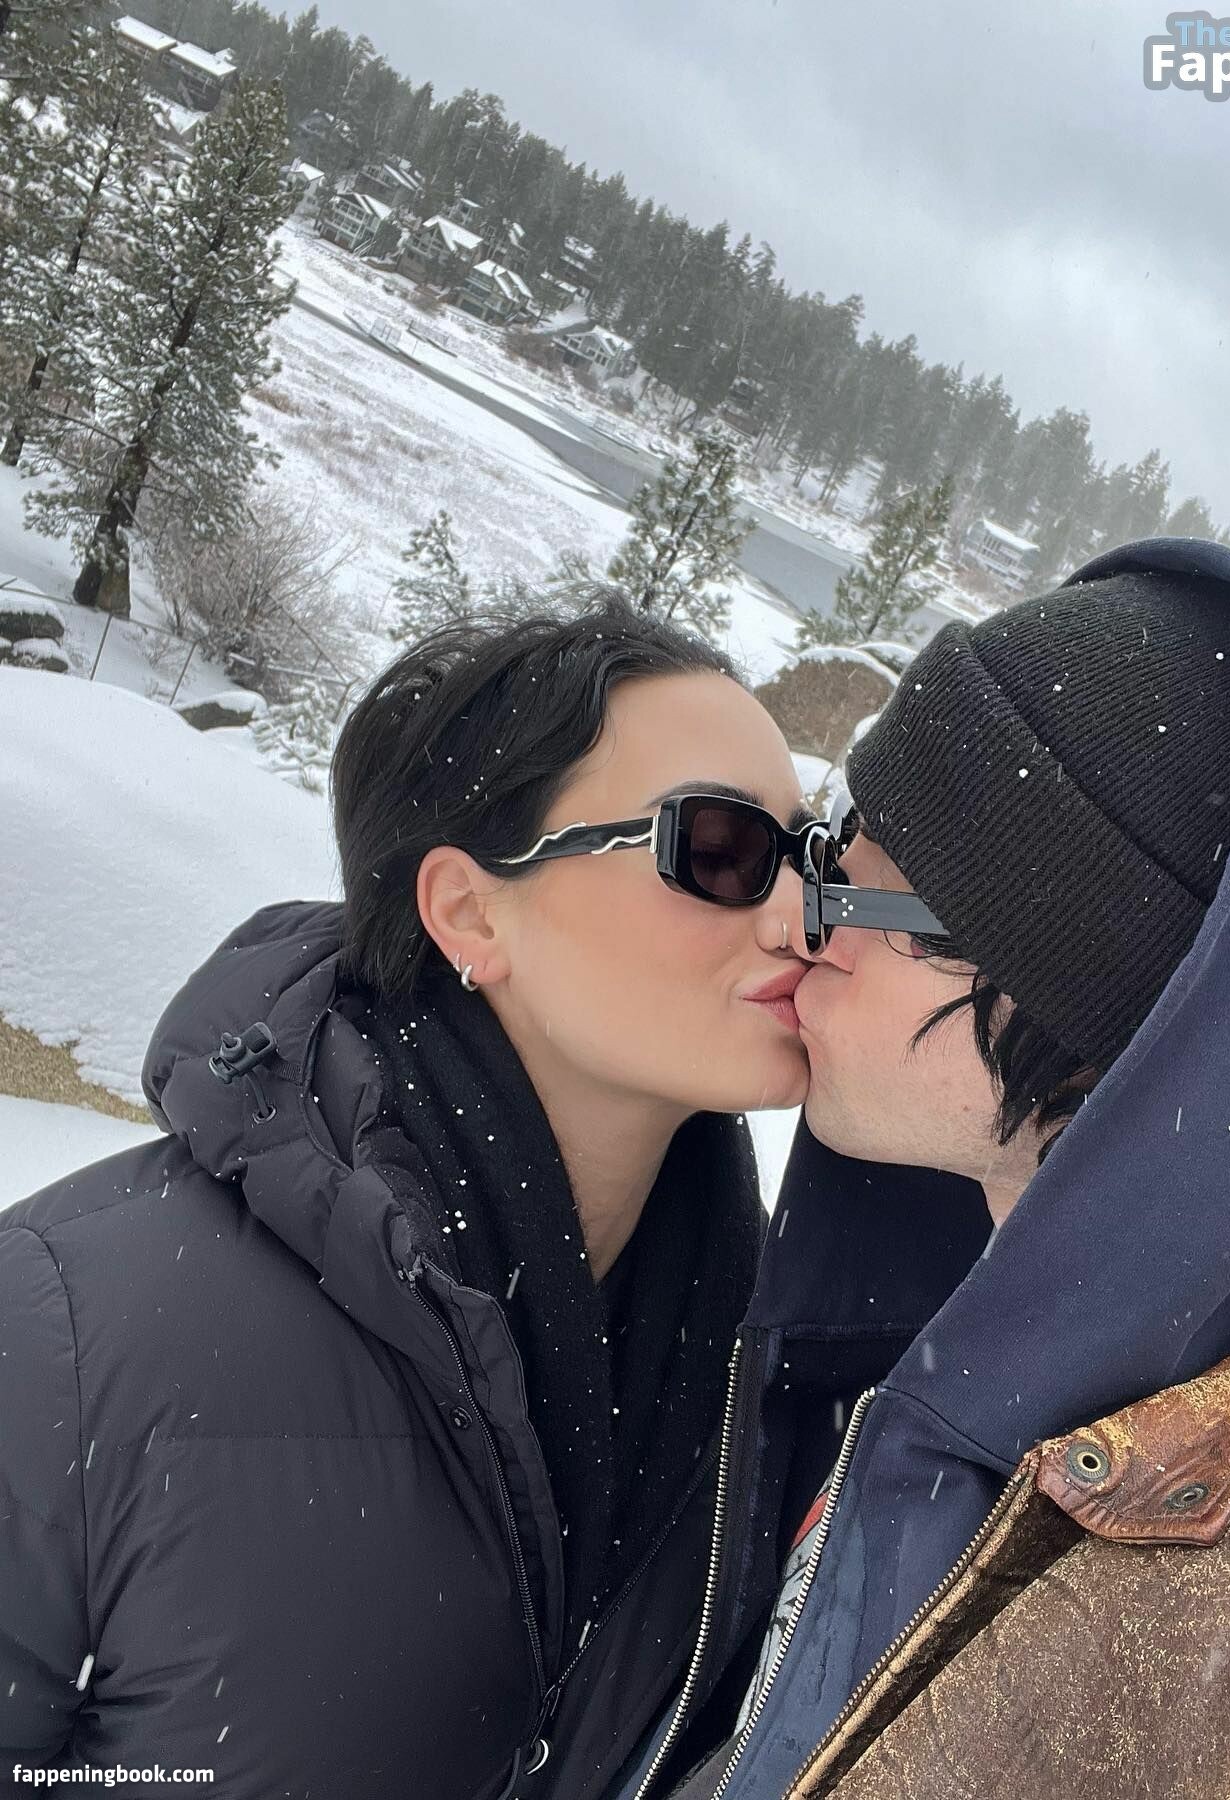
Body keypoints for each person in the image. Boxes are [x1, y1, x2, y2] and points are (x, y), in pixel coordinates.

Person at [623, 539, 1230, 1800]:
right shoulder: (936, 1330)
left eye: (871, 901)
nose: (798, 926)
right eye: (833, 852)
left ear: (1127, 1016)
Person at [0, 596, 824, 1800]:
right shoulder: (63, 1334)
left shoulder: (773, 1380)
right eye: (719, 848)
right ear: (471, 912)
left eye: (812, 856)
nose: (801, 915)